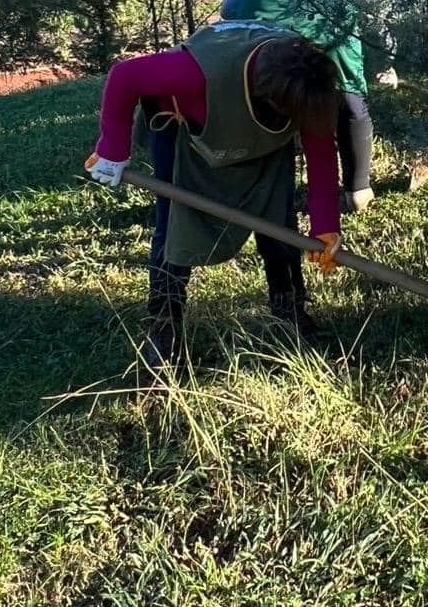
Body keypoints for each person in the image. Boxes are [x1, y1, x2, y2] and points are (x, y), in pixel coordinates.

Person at [86, 20, 344, 373]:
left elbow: (321, 153)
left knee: (279, 220)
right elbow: (125, 75)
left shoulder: (307, 82)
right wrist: (113, 147)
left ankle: (290, 311)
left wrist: (326, 225)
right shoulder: (194, 74)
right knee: (173, 221)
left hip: (265, 139)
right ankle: (164, 327)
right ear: (266, 98)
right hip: (184, 125)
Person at [220, 0, 397, 211]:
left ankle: (258, 187)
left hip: (257, 21)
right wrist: (383, 64)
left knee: (270, 96)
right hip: (327, 23)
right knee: (349, 92)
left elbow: (229, 9)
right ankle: (358, 190)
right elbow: (376, 30)